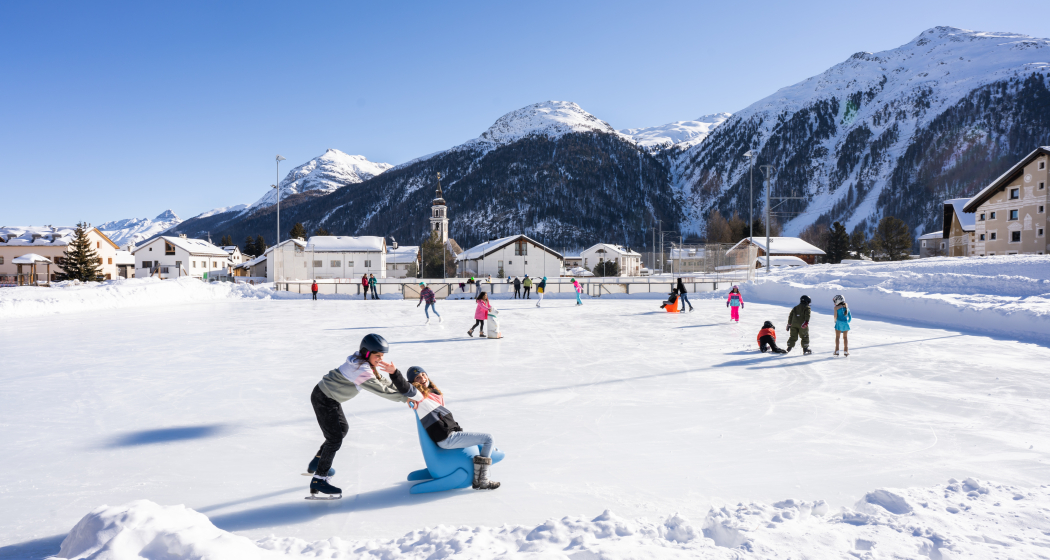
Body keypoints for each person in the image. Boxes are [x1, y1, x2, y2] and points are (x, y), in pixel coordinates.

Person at [306, 334, 423, 497]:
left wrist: (404, 388)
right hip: (324, 398)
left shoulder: (365, 363)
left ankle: (318, 461)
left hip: (330, 398)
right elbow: (380, 390)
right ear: (366, 353)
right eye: (378, 356)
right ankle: (319, 479)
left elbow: (383, 381)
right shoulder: (361, 370)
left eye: (382, 356)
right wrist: (405, 398)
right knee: (335, 438)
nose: (380, 359)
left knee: (342, 430)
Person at [405, 366, 499, 489]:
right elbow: (407, 390)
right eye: (417, 377)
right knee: (489, 439)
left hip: (448, 434)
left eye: (423, 374)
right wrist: (407, 394)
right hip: (448, 438)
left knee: (483, 439)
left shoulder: (434, 394)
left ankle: (480, 478)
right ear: (413, 383)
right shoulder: (421, 397)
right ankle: (482, 479)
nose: (422, 378)